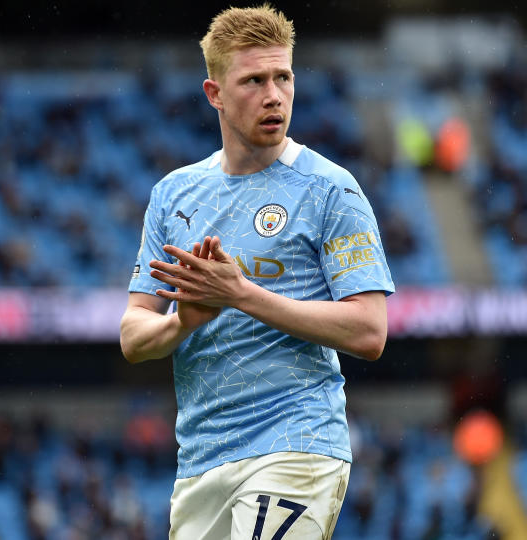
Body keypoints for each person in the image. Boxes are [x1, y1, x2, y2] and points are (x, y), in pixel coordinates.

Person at [119, 5, 395, 539]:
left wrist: (242, 293)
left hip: (296, 445)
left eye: (283, 77)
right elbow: (134, 335)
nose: (274, 95)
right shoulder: (174, 195)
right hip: (202, 460)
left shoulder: (331, 190)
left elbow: (369, 331)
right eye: (253, 81)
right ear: (214, 93)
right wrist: (185, 322)